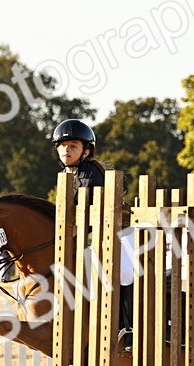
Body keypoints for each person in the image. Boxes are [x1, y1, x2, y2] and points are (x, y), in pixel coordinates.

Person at [52, 119, 136, 346]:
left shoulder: (90, 174)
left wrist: (79, 227)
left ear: (86, 151)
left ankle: (129, 328)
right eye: (63, 146)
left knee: (124, 273)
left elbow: (95, 210)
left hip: (122, 232)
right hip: (99, 234)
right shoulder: (66, 175)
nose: (66, 150)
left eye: (73, 146)